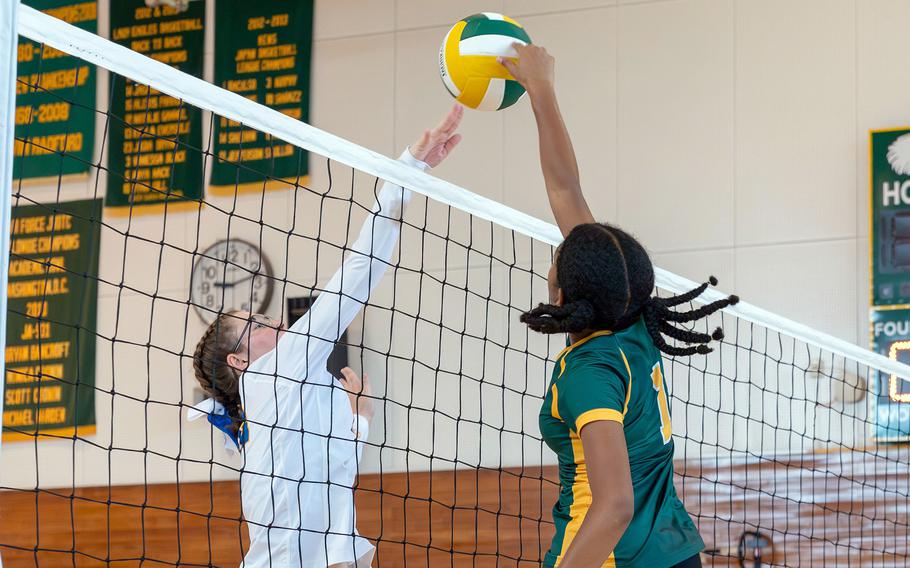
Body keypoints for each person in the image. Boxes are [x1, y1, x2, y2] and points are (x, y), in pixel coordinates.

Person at [190, 105, 463, 568]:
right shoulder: (272, 373)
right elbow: (357, 275)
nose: (274, 322)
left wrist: (358, 419)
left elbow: (335, 464)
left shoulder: (292, 390)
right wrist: (408, 170)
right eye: (255, 326)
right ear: (240, 362)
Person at [500, 46, 738, 568]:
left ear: (562, 295)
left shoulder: (588, 371)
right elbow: (565, 189)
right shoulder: (633, 320)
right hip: (677, 554)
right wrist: (541, 88)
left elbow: (613, 506)